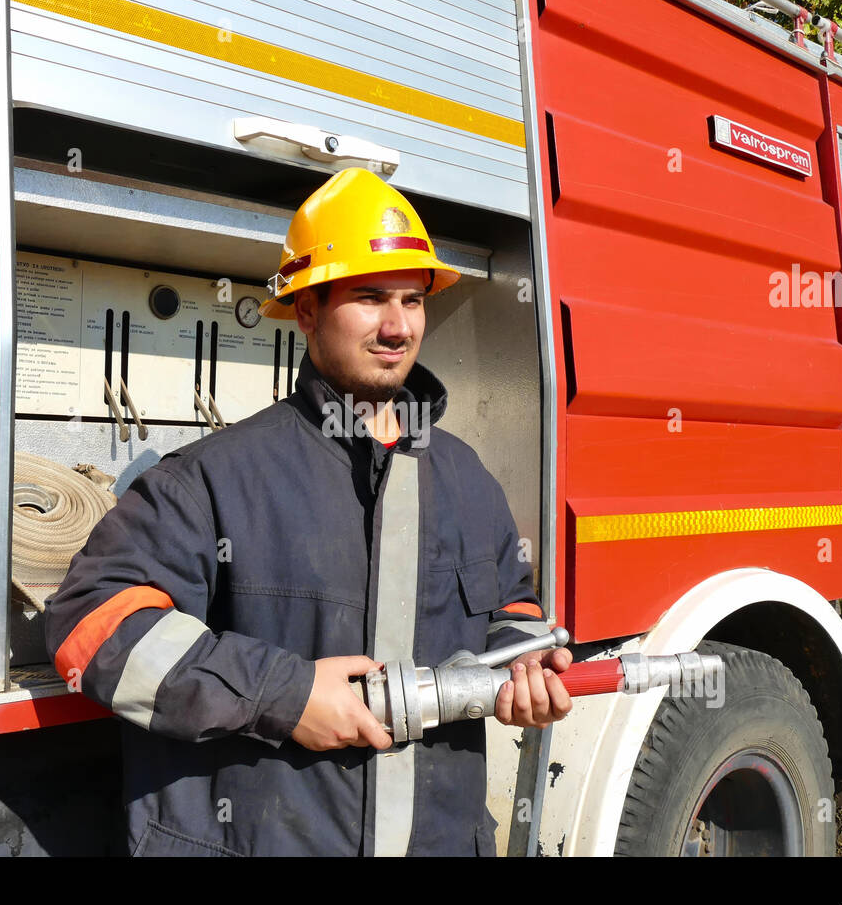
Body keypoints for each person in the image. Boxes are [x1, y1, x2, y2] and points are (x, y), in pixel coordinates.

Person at [43, 167, 572, 857]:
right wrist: (284, 696)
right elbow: (91, 624)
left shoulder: (468, 479)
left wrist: (522, 665)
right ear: (306, 311)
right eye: (370, 297)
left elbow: (511, 607)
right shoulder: (216, 478)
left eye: (413, 301)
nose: (397, 325)